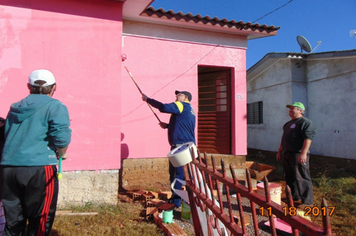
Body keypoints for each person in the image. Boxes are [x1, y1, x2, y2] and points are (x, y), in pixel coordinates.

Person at [0, 69, 71, 235]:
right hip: (39, 168)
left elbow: (7, 133)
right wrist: (62, 152)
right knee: (40, 220)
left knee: (13, 222)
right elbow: (61, 137)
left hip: (8, 169)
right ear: (54, 87)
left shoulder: (15, 107)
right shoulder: (55, 106)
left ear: (28, 86)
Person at [142, 90, 196, 208]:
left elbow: (163, 107)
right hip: (189, 147)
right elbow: (183, 125)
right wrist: (167, 126)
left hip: (180, 147)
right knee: (189, 175)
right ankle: (191, 201)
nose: (176, 97)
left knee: (177, 175)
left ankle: (176, 201)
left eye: (179, 95)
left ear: (185, 97)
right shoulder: (190, 110)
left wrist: (148, 99)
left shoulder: (181, 105)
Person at [276, 102, 316, 206]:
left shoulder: (306, 123)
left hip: (298, 154)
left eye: (293, 108)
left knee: (301, 177)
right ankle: (294, 196)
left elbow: (308, 139)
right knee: (289, 176)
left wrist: (304, 153)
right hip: (287, 153)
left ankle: (307, 202)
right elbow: (283, 138)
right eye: (290, 109)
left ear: (301, 111)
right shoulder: (287, 124)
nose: (290, 110)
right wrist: (280, 151)